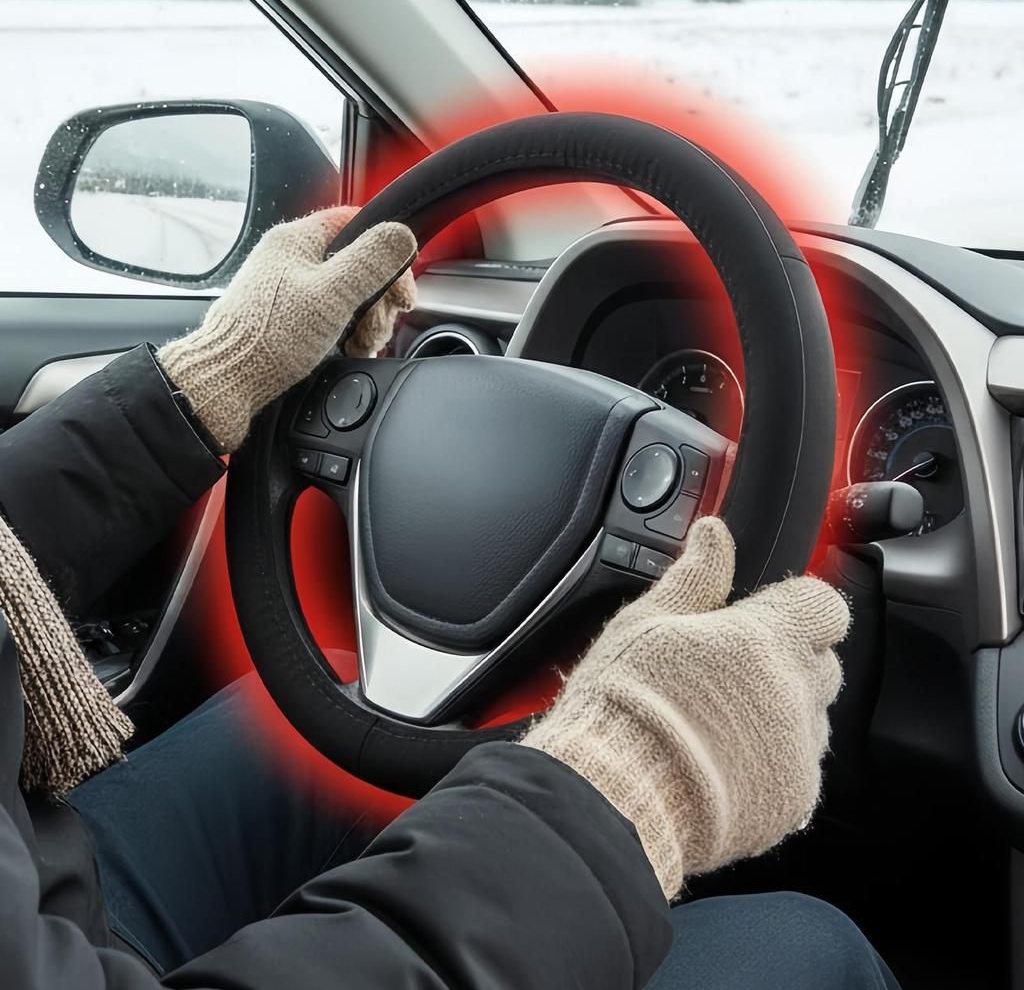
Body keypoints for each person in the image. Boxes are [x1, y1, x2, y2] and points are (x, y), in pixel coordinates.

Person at [0, 207, 900, 989]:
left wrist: (209, 380)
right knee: (811, 946)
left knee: (357, 722)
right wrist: (636, 777)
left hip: (40, 896)